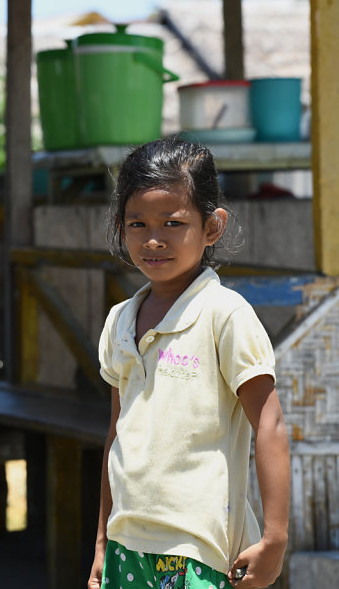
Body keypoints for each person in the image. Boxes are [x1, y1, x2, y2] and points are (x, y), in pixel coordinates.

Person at [88, 138, 290, 589]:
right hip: (127, 545)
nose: (153, 239)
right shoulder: (120, 321)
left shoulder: (225, 315)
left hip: (199, 552)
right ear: (120, 226)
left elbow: (271, 425)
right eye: (137, 223)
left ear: (212, 226)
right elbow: (117, 431)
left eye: (173, 223)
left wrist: (275, 539)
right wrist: (103, 541)